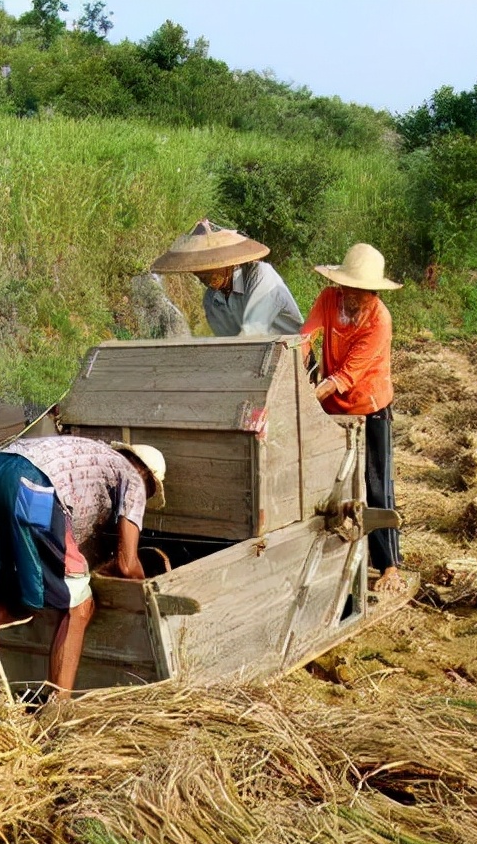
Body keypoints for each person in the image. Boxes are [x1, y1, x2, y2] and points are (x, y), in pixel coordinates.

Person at [0, 435, 166, 696]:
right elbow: (127, 565)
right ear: (148, 478)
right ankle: (59, 706)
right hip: (34, 486)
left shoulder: (92, 458)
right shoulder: (134, 477)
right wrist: (144, 590)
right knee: (79, 605)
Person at [300, 243, 403, 593]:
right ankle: (333, 559)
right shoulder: (329, 299)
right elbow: (305, 336)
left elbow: (344, 377)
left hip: (369, 406)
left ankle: (390, 566)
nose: (351, 296)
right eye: (348, 288)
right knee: (333, 483)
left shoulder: (379, 320)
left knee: (377, 486)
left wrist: (304, 399)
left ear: (372, 293)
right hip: (332, 408)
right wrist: (298, 365)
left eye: (359, 291)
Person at [151, 219, 303, 337]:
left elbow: (254, 334)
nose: (201, 276)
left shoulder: (260, 275)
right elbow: (228, 342)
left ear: (227, 263)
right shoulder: (211, 300)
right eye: (198, 271)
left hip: (293, 357)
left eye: (208, 267)